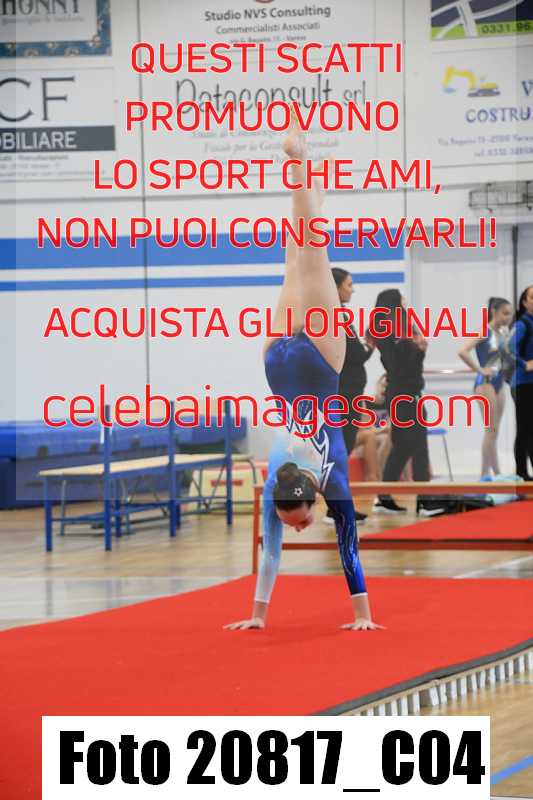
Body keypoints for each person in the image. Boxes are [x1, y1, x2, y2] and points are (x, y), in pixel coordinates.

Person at [226, 118, 382, 632]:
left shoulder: (323, 479)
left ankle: (299, 162)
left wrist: (362, 614)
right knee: (298, 256)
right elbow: (283, 550)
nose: (297, 529)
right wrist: (257, 617)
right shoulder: (277, 483)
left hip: (313, 365)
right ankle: (309, 177)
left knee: (309, 252)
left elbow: (345, 543)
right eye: (301, 523)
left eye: (298, 522)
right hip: (280, 365)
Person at [369, 289, 438, 516]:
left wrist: (420, 350)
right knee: (418, 445)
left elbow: (408, 364)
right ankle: (425, 499)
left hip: (405, 392)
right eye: (402, 301)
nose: (406, 304)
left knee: (403, 446)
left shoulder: (399, 331)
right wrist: (417, 349)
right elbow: (399, 365)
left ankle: (384, 497)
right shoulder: (390, 333)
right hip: (404, 395)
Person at [324, 267, 376, 523]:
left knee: (341, 450)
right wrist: (370, 343)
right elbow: (356, 355)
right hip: (344, 394)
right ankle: (335, 508)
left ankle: (338, 507)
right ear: (336, 288)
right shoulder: (337, 316)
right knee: (340, 451)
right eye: (349, 285)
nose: (352, 290)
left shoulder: (336, 314)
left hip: (346, 392)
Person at [458, 297, 513, 478]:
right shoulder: (484, 331)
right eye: (505, 313)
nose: (508, 318)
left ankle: (496, 473)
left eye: (510, 314)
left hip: (499, 384)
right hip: (485, 384)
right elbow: (462, 351)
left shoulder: (504, 332)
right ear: (493, 312)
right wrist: (479, 369)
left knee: (494, 432)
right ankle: (484, 474)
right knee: (490, 431)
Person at [508, 286, 533, 480]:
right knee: (525, 428)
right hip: (523, 384)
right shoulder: (522, 324)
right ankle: (521, 473)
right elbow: (506, 350)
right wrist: (525, 364)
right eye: (532, 297)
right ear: (525, 302)